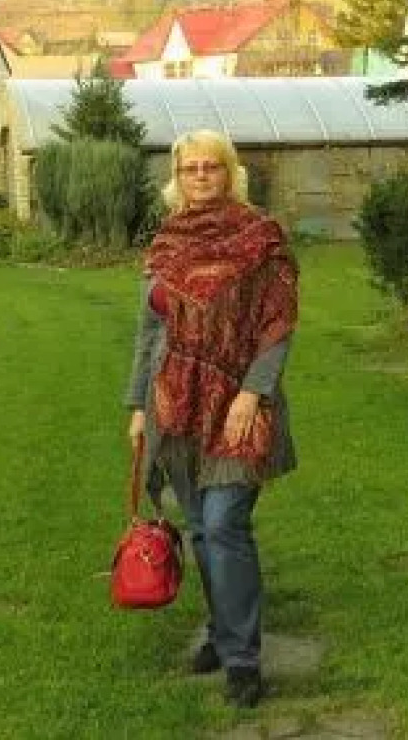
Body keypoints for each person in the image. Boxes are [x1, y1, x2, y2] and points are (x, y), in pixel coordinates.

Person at [123, 129, 298, 710]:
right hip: (173, 403)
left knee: (224, 523)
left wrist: (252, 394)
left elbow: (277, 325)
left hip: (238, 404)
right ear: (177, 175)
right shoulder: (166, 242)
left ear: (231, 173)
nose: (201, 176)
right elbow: (150, 333)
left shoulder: (260, 237)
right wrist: (136, 408)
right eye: (190, 168)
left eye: (212, 167)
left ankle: (243, 660)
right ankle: (224, 638)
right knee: (199, 527)